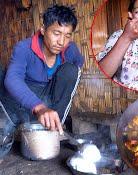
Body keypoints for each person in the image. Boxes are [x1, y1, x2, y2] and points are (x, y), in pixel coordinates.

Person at [0, 5, 84, 157]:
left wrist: (46, 109)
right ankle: (7, 124)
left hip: (46, 102)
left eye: (67, 35)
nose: (61, 42)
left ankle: (54, 126)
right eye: (56, 33)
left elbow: (78, 66)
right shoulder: (24, 48)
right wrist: (38, 107)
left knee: (71, 71)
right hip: (16, 102)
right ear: (43, 30)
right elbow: (12, 79)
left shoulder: (70, 49)